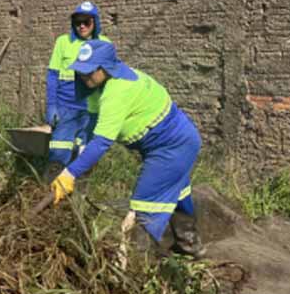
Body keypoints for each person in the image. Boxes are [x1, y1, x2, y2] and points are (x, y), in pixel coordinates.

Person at [48, 40, 206, 258]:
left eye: (89, 71)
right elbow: (94, 122)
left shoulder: (117, 92)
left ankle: (136, 268)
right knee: (177, 190)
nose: (84, 76)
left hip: (171, 147)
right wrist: (83, 148)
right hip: (176, 141)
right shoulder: (106, 83)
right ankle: (191, 245)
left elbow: (102, 142)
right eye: (81, 71)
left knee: (142, 211)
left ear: (106, 67)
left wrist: (69, 173)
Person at [45, 2, 110, 179]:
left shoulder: (104, 44)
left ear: (95, 22)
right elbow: (52, 75)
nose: (82, 26)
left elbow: (110, 77)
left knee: (85, 154)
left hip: (92, 108)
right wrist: (52, 106)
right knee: (59, 151)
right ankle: (52, 192)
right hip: (66, 107)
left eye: (86, 22)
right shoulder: (63, 42)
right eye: (77, 22)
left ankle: (79, 196)